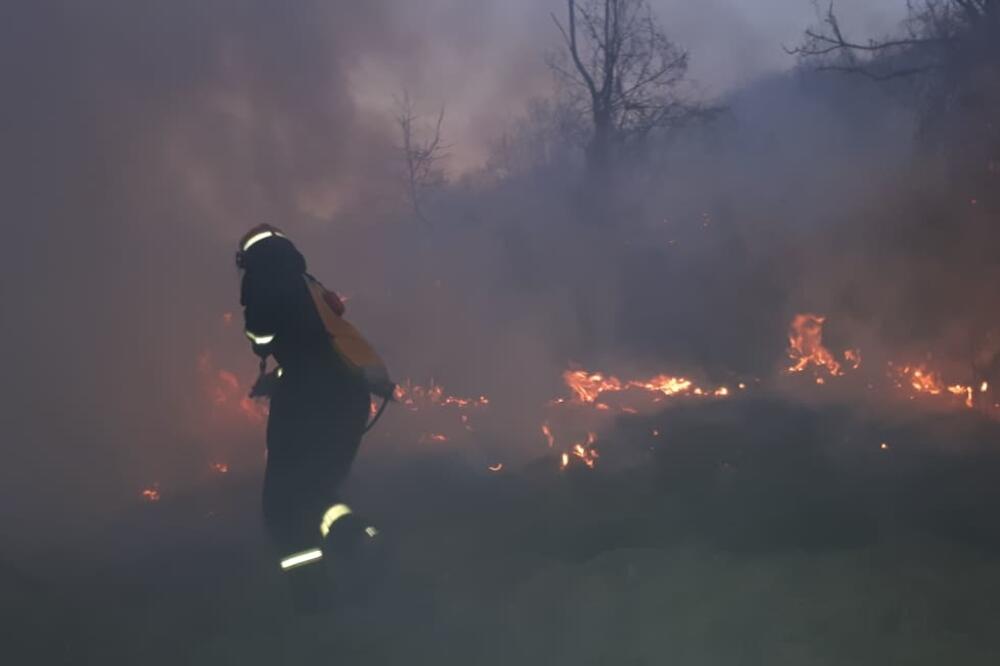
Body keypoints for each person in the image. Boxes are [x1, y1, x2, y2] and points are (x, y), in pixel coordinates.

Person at [236, 224, 380, 612]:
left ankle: (310, 597)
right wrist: (281, 377)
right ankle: (365, 547)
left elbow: (262, 336)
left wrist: (266, 355)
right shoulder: (308, 283)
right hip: (349, 395)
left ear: (248, 256)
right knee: (316, 489)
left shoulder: (261, 274)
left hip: (308, 400)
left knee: (282, 503)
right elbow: (315, 348)